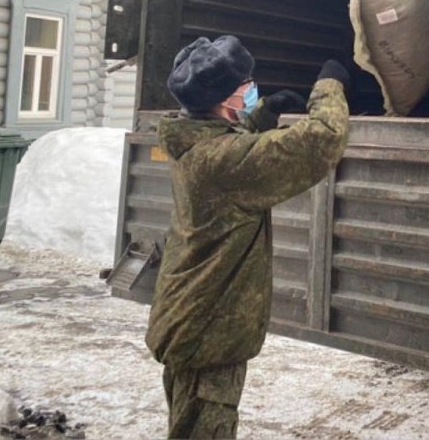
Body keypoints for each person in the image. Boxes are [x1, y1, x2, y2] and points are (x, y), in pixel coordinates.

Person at [145, 35, 350, 439]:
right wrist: (330, 85)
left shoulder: (191, 141)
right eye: (246, 87)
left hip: (192, 319)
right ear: (226, 103)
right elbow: (322, 139)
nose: (252, 89)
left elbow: (228, 144)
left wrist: (265, 113)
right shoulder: (220, 164)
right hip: (207, 329)